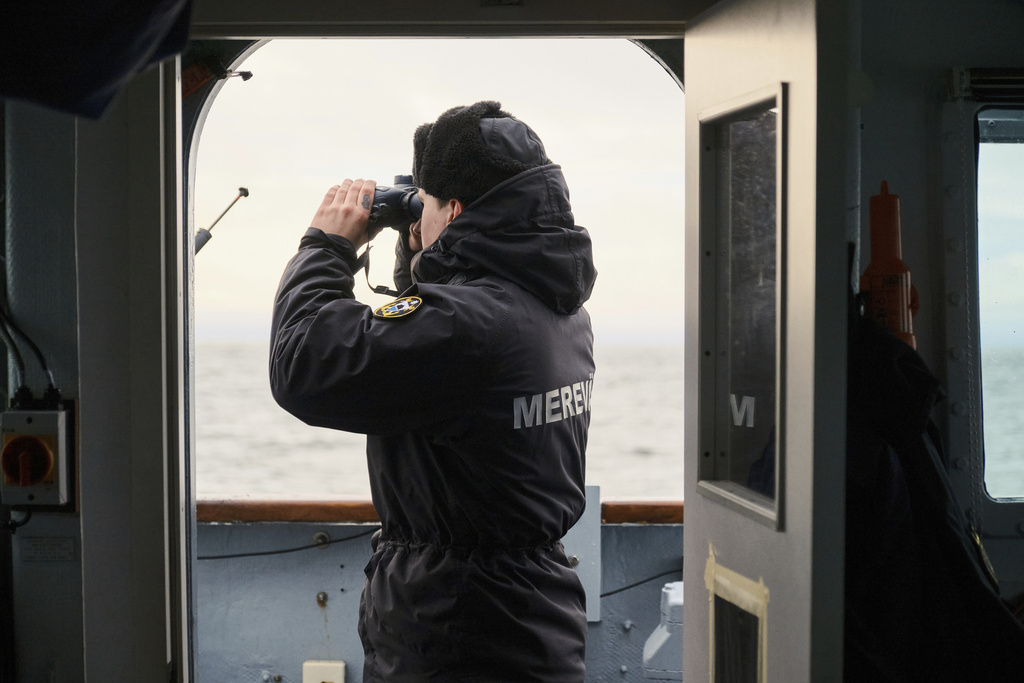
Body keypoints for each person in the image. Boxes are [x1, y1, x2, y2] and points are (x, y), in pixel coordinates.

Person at [269, 100, 598, 682]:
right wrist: (425, 248)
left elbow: (303, 366)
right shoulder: (555, 307)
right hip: (532, 616)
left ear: (459, 209)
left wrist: (325, 247)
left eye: (430, 203)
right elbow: (429, 337)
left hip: (456, 628)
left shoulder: (468, 326)